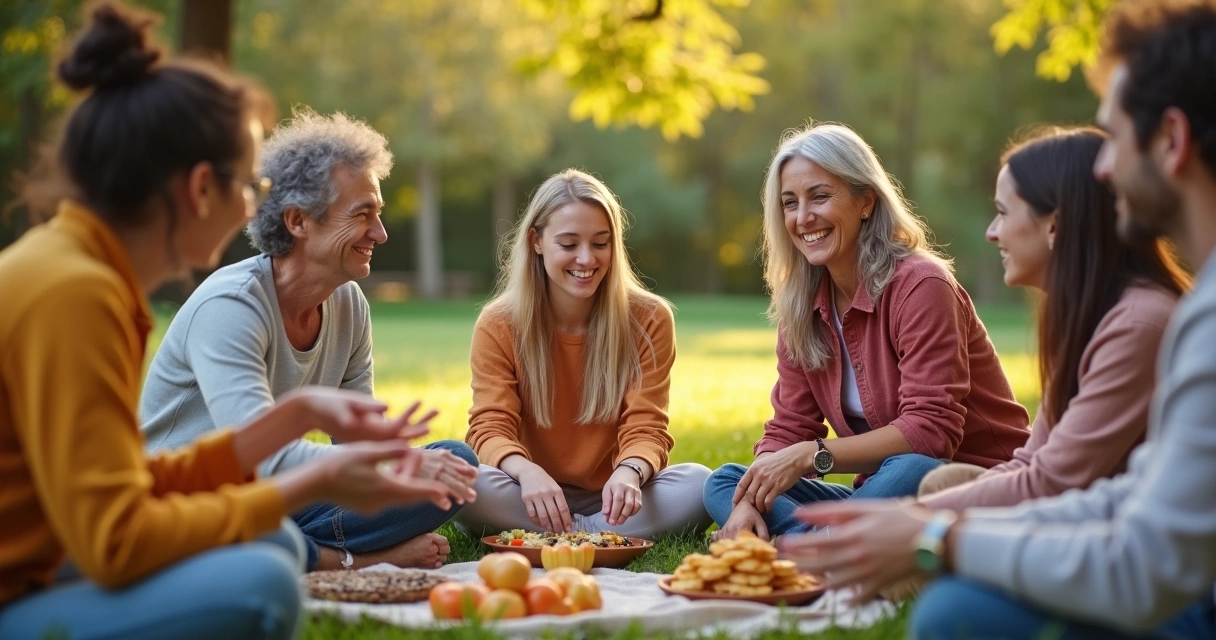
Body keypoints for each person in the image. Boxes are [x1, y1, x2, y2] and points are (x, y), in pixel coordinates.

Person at [0, 4, 455, 639]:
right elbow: (117, 541)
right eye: (246, 185)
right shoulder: (77, 292)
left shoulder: (82, 268)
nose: (251, 209)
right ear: (198, 189)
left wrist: (300, 416)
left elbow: (133, 483)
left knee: (271, 546)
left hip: (54, 556)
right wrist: (310, 480)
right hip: (22, 588)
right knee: (263, 580)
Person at [779, 2, 1216, 638]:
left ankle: (841, 539)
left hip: (1180, 593)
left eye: (1115, 136)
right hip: (1121, 543)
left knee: (946, 586)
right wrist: (925, 523)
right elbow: (1114, 495)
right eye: (790, 202)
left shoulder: (1158, 321)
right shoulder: (1144, 316)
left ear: (1171, 140)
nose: (1102, 166)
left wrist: (936, 534)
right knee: (741, 485)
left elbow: (1113, 534)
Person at [140, 109, 478, 572]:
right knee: (257, 524)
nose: (380, 233)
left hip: (274, 496)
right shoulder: (231, 306)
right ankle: (354, 559)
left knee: (454, 462)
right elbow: (261, 453)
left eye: (378, 214)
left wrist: (401, 462)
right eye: (363, 215)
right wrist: (386, 468)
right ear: (298, 221)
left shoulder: (349, 305)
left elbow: (354, 441)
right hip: (186, 501)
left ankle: (296, 550)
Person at [702, 123, 1030, 541]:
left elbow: (931, 433)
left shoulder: (921, 285)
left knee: (916, 467)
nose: (803, 218)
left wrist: (812, 456)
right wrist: (751, 498)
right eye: (790, 203)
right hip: (880, 494)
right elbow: (790, 428)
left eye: (820, 196)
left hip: (967, 484)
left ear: (866, 201)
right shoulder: (802, 306)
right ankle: (832, 541)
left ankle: (806, 544)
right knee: (726, 482)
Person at [914, 126, 1189, 509]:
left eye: (1002, 213)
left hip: (1125, 531)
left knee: (919, 481)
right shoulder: (1091, 318)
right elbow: (1031, 462)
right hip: (1083, 514)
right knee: (939, 483)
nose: (992, 232)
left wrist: (910, 518)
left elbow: (1052, 481)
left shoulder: (1137, 323)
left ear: (1054, 226)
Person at [455, 169, 713, 539]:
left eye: (600, 243)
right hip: (528, 493)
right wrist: (527, 472)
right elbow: (489, 427)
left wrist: (630, 472)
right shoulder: (499, 323)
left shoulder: (650, 318)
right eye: (568, 244)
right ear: (536, 242)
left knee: (699, 484)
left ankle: (571, 532)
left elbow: (647, 427)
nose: (586, 258)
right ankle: (597, 536)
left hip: (615, 501)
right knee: (463, 480)